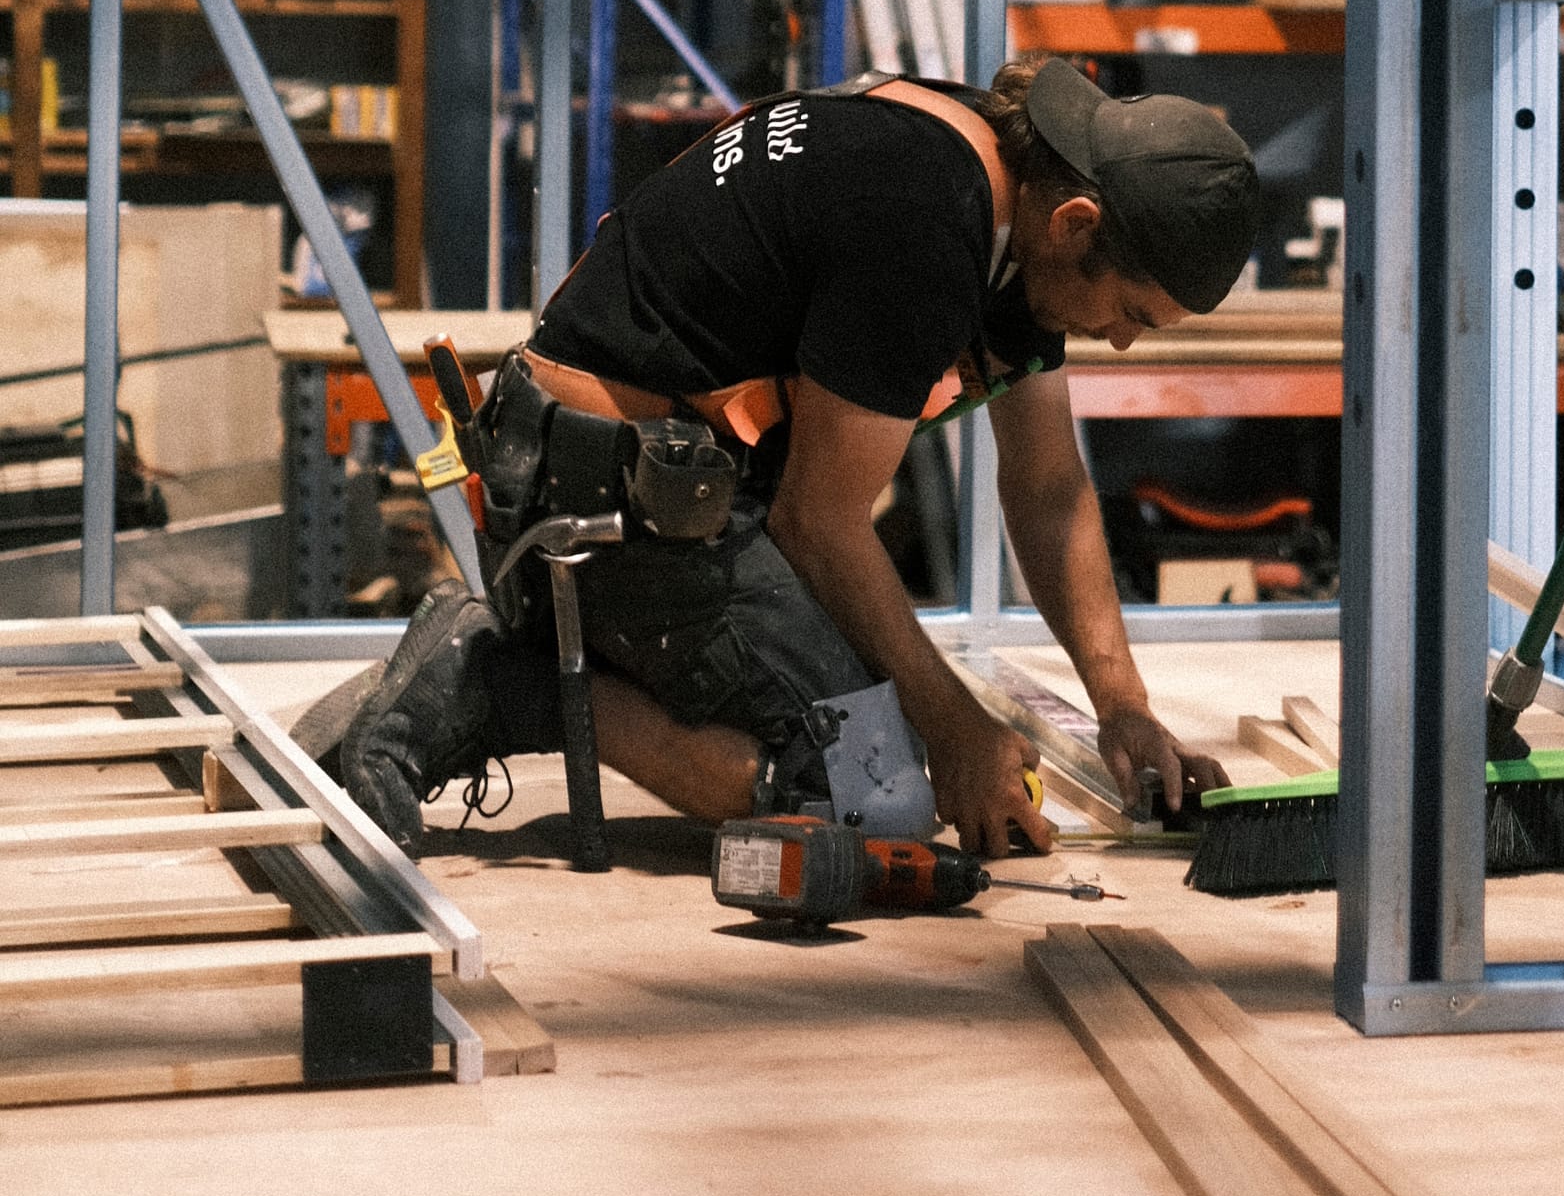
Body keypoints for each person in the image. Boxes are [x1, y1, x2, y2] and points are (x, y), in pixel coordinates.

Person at [333, 56, 1257, 860]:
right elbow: (818, 522)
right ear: (1079, 223)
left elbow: (1050, 489)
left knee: (895, 730)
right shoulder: (927, 214)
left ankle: (548, 644)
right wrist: (955, 728)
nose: (1125, 345)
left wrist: (1123, 707)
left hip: (674, 475)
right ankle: (509, 680)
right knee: (866, 792)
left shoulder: (1016, 192)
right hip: (600, 485)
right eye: (1132, 314)